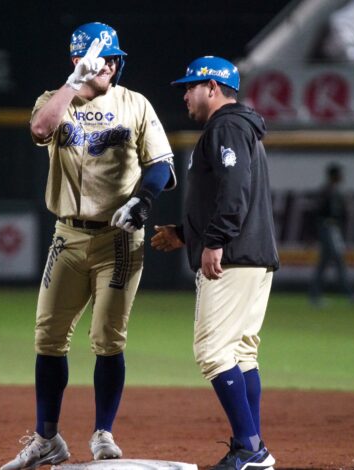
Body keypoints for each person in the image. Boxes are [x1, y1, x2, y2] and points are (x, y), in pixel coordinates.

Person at [0, 22, 175, 470]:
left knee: (107, 338)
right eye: (102, 58)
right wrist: (74, 81)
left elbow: (160, 164)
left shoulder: (134, 103)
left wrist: (142, 200)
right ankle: (46, 438)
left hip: (119, 237)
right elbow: (39, 128)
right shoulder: (54, 100)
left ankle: (103, 433)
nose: (111, 64)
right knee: (48, 337)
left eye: (114, 58)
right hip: (68, 236)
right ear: (80, 61)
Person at [151, 56, 279, 470]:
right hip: (252, 256)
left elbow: (235, 189)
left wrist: (215, 240)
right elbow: (222, 194)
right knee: (241, 352)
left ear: (212, 87)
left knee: (212, 351)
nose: (185, 94)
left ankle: (249, 447)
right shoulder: (237, 128)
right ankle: (253, 446)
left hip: (234, 257)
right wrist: (187, 234)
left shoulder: (226, 126)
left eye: (190, 86)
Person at [309, 163, 354, 307]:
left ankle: (315, 296)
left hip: (331, 229)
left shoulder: (333, 191)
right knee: (339, 261)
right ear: (334, 175)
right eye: (339, 173)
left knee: (324, 264)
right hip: (328, 228)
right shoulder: (327, 191)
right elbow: (319, 212)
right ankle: (351, 293)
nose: (342, 176)